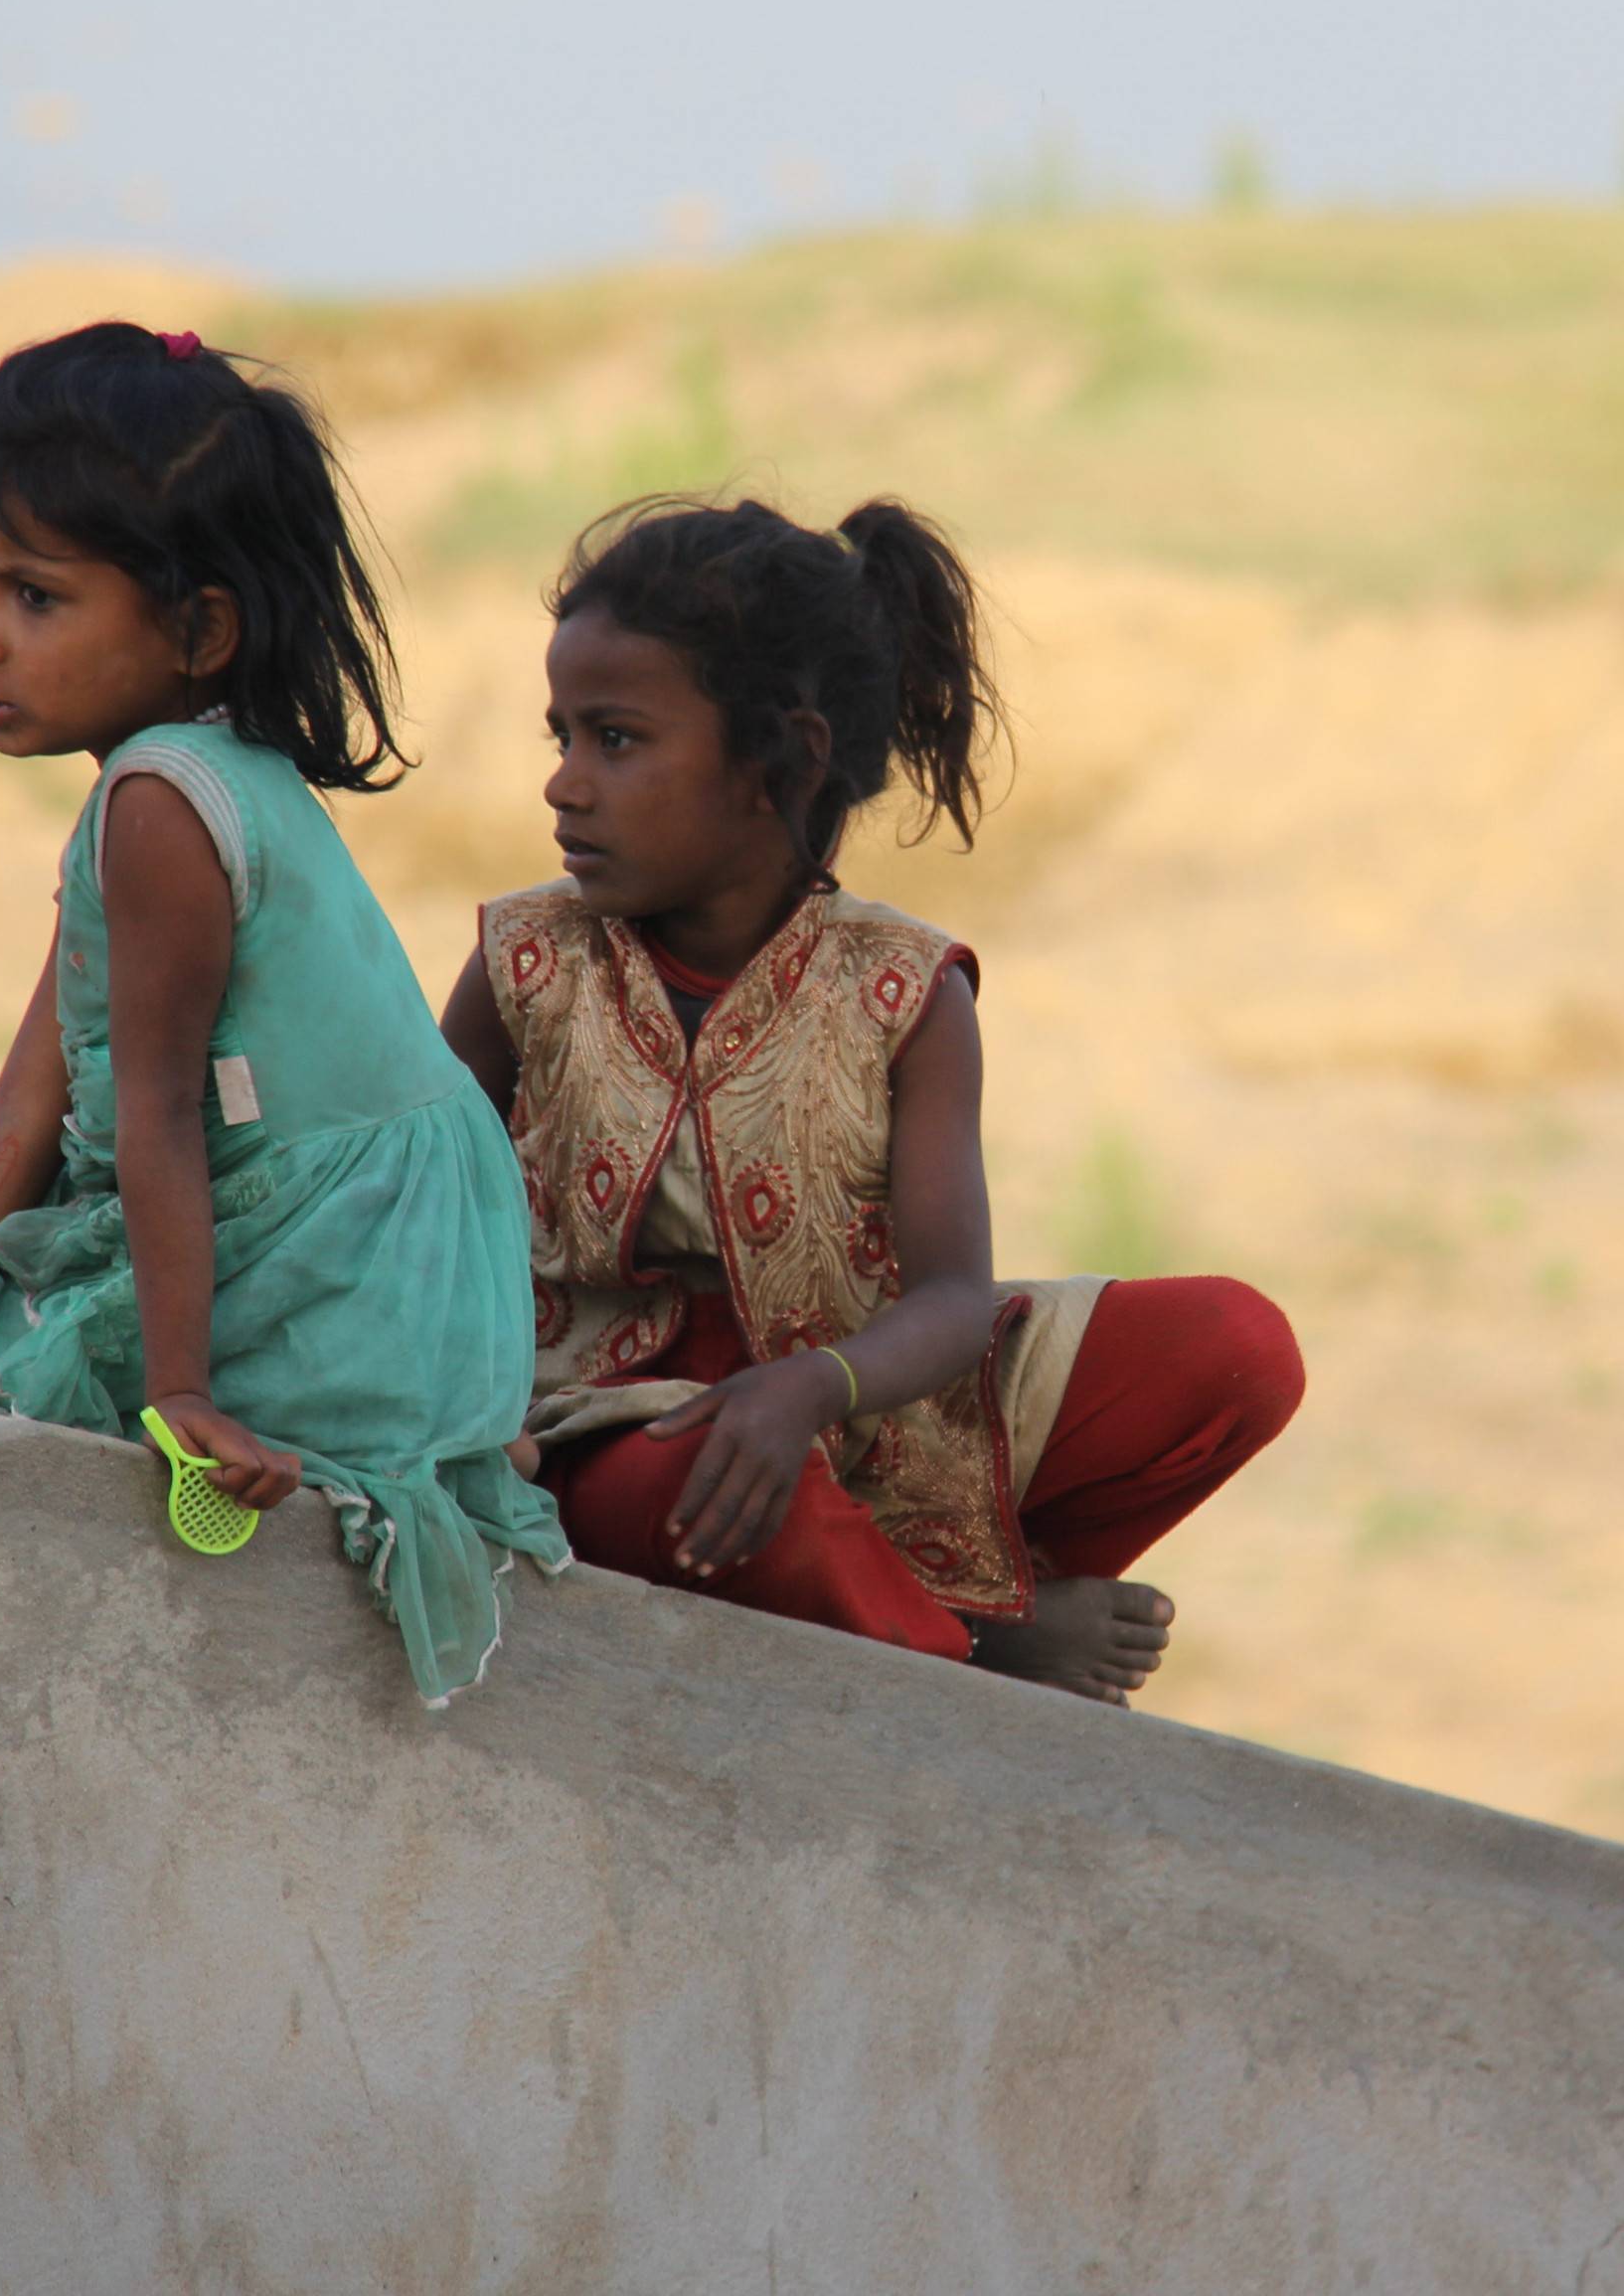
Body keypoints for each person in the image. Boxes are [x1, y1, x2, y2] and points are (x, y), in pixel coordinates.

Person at [0, 322, 564, 1706]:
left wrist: (180, 1393)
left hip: (337, 1261)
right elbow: (30, 1098)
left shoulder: (161, 807)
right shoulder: (200, 771)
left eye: (38, 597)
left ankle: (345, 1410)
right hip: (409, 1253)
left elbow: (160, 1117)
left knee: (0, 1380)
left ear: (199, 629)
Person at [438, 496, 1300, 1703]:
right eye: (562, 737)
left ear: (780, 760)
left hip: (865, 1398)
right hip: (609, 1431)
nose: (564, 785)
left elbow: (949, 1300)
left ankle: (912, 1592)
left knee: (1236, 1347)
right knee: (727, 1495)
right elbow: (419, 1212)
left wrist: (813, 1384)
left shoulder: (907, 989)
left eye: (615, 740)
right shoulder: (525, 962)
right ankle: (979, 1651)